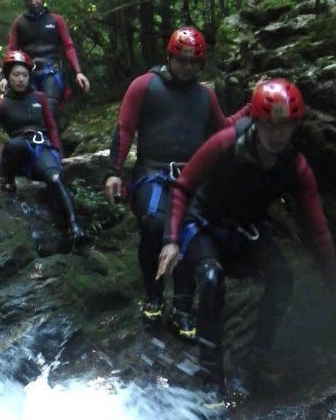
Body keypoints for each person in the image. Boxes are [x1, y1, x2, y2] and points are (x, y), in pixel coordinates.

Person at [157, 78, 336, 398]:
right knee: (211, 278)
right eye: (269, 124)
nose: (277, 133)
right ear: (255, 120)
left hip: (245, 233)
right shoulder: (226, 142)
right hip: (204, 226)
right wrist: (171, 241)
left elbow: (317, 228)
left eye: (285, 126)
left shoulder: (295, 166)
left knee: (283, 276)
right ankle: (211, 375)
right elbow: (183, 186)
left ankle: (259, 355)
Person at [104, 26, 248, 340]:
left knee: (189, 231)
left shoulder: (204, 96)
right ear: (170, 57)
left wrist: (251, 109)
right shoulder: (145, 86)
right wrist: (114, 171)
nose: (187, 67)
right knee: (155, 224)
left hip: (191, 177)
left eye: (194, 62)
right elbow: (125, 129)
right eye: (182, 61)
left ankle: (183, 304)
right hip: (152, 174)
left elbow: (222, 131)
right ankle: (153, 293)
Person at [0, 50, 85, 245]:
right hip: (17, 154)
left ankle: (74, 226)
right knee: (16, 145)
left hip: (41, 149)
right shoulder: (0, 105)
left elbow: (51, 127)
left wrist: (59, 154)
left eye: (25, 75)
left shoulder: (39, 98)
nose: (21, 79)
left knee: (56, 177)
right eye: (16, 74)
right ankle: (6, 176)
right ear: (7, 76)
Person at [2, 0, 90, 130]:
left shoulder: (56, 20)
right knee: (32, 111)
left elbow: (68, 46)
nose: (33, 2)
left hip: (51, 71)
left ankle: (56, 151)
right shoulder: (19, 24)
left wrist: (78, 72)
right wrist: (4, 77)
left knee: (50, 107)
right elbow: (11, 50)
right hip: (29, 74)